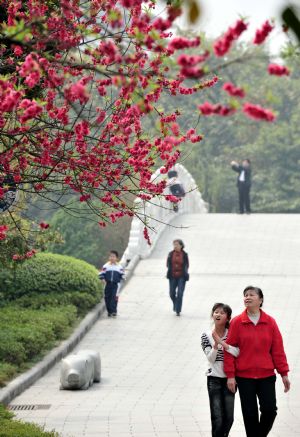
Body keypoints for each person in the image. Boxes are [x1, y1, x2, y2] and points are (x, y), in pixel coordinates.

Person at [224, 286, 290, 437]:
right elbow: (229, 350)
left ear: (260, 300)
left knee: (270, 411)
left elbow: (278, 350)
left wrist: (284, 374)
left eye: (251, 295)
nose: (247, 297)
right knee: (250, 415)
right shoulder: (237, 322)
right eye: (245, 295)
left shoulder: (270, 322)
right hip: (244, 377)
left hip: (266, 376)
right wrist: (230, 375)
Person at [201, 303, 239, 437]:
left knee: (229, 418)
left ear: (228, 318)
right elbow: (210, 359)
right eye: (216, 312)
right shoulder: (206, 335)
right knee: (217, 417)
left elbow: (237, 353)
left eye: (222, 313)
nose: (218, 314)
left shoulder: (233, 334)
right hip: (214, 380)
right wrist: (216, 345)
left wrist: (223, 343)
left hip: (230, 379)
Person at [166, 239, 189, 316]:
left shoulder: (184, 255)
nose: (175, 246)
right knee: (171, 293)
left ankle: (178, 310)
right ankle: (176, 304)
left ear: (181, 246)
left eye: (177, 244)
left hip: (181, 276)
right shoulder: (171, 254)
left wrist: (184, 272)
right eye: (174, 244)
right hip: (172, 276)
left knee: (180, 293)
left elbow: (187, 265)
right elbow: (168, 264)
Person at [99, 250, 124, 317]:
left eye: (113, 256)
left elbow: (122, 274)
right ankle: (109, 311)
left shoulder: (119, 267)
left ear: (116, 258)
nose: (112, 258)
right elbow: (101, 274)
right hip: (107, 284)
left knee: (114, 297)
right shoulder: (106, 266)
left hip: (116, 284)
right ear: (109, 257)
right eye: (111, 256)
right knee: (107, 298)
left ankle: (114, 311)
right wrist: (103, 279)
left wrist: (123, 278)